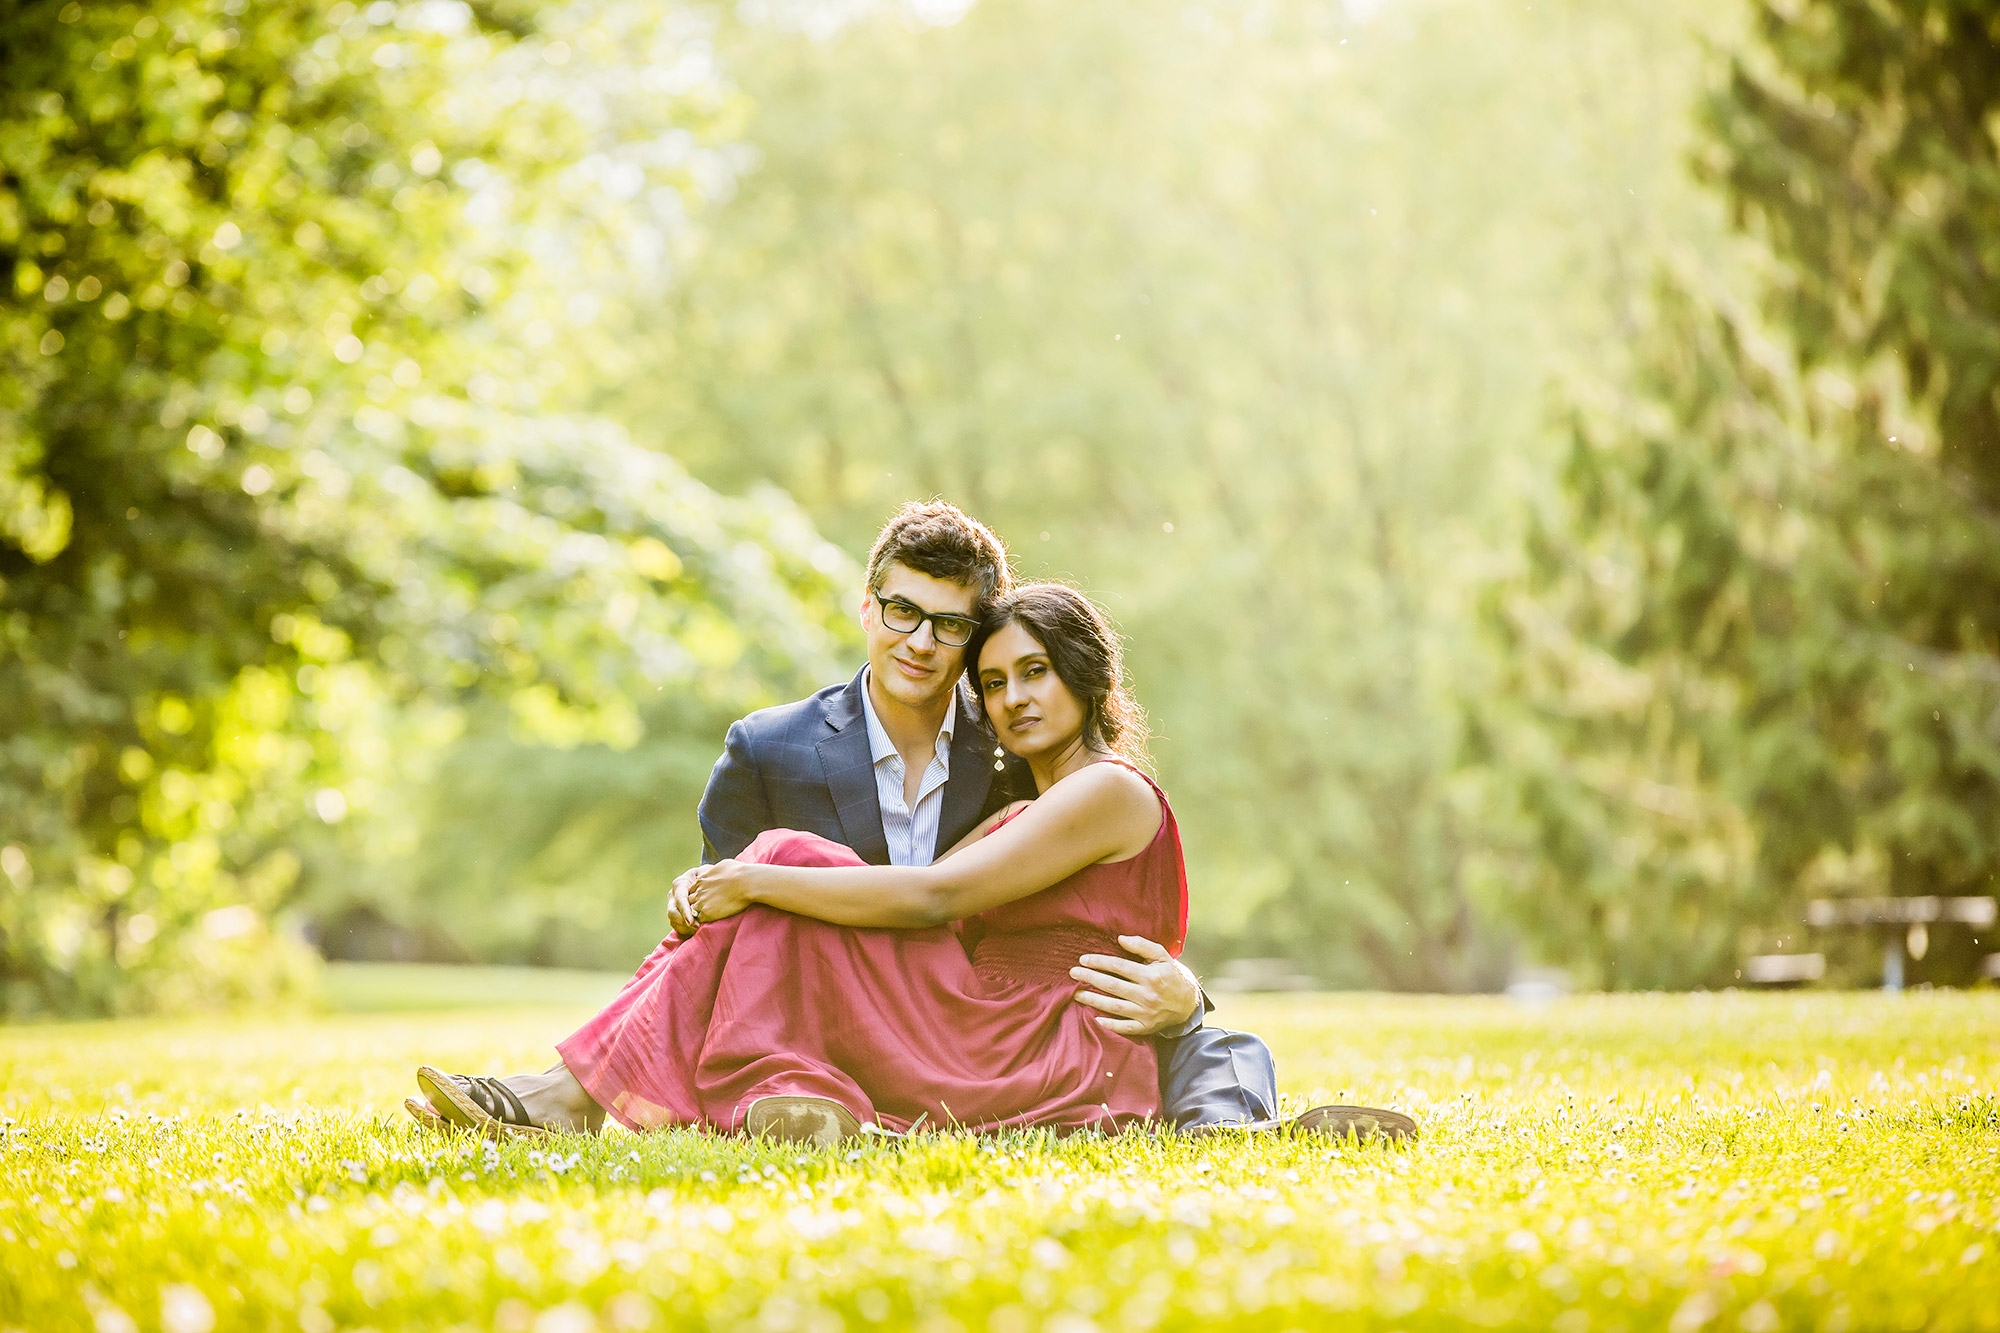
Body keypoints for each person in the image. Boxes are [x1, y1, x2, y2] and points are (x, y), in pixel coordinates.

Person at [412, 503, 1411, 1144]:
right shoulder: (1027, 796)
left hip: (1031, 1032)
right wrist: (735, 884)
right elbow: (726, 931)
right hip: (967, 1007)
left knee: (785, 860)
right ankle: (584, 1093)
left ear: (1090, 679)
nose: (1012, 698)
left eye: (1033, 673)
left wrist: (758, 876)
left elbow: (937, 894)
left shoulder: (1105, 789)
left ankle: (567, 1096)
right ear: (867, 608)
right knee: (777, 863)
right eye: (997, 681)